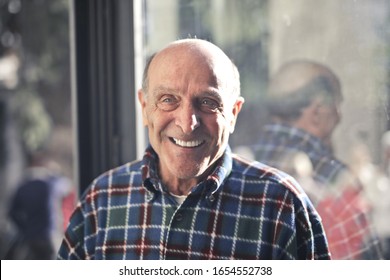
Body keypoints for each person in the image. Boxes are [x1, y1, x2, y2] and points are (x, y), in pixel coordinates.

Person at [57, 39, 330, 260]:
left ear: (233, 113)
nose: (188, 124)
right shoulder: (102, 201)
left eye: (208, 102)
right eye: (168, 100)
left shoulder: (281, 205)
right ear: (144, 107)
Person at [252, 59, 383, 259]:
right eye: (337, 105)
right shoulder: (338, 181)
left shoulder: (237, 165)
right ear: (317, 112)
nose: (339, 117)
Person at [7, 151, 75, 259]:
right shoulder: (52, 183)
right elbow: (68, 187)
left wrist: (25, 228)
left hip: (30, 236)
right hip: (50, 234)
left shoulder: (22, 186)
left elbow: (11, 213)